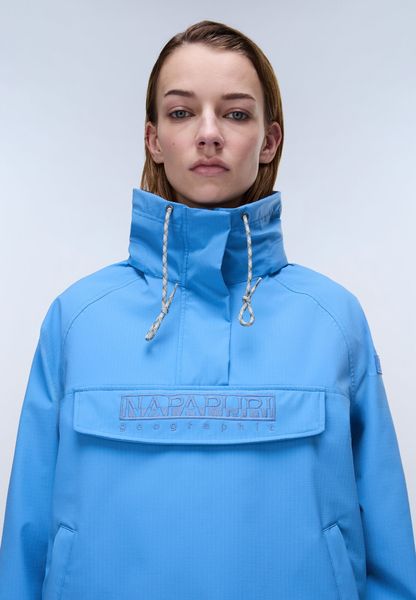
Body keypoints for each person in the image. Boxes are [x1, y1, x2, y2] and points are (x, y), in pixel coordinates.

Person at [0, 18, 415, 600]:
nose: (209, 133)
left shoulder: (332, 320)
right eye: (181, 112)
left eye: (236, 113)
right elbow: (26, 544)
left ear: (269, 140)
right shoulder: (77, 320)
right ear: (153, 139)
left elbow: (390, 557)